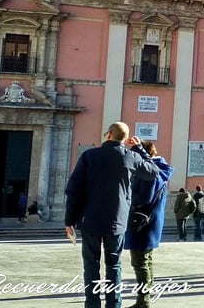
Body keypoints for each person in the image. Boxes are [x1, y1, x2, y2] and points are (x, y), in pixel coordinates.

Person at [65, 122, 159, 308]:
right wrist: (139, 148)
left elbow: (74, 190)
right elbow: (153, 172)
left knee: (91, 265)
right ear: (124, 138)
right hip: (117, 221)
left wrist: (70, 220)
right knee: (114, 265)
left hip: (90, 220)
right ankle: (114, 303)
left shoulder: (89, 156)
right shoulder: (131, 156)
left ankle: (92, 304)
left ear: (108, 135)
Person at [123, 141, 173, 308]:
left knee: (140, 261)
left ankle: (143, 300)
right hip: (150, 222)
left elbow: (142, 197)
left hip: (142, 222)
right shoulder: (162, 169)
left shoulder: (150, 173)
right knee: (146, 259)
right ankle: (146, 296)